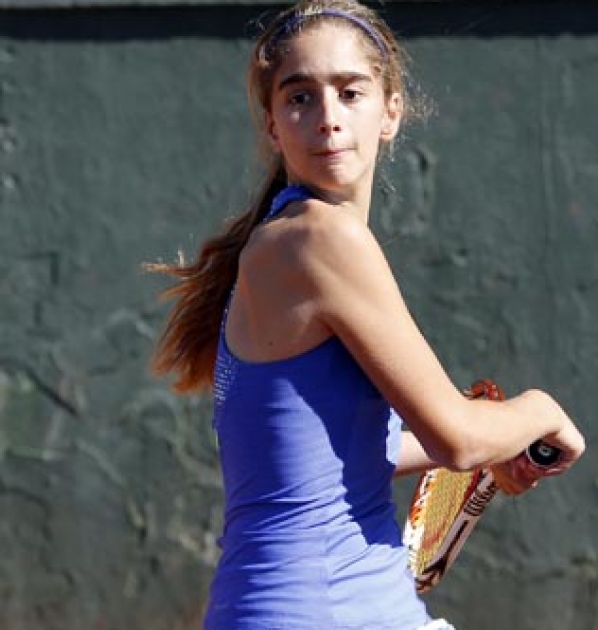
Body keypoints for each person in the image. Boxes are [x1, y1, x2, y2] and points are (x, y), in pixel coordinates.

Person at [145, 1, 587, 628]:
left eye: (350, 93)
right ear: (272, 125)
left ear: (391, 109)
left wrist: (490, 446)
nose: (327, 119)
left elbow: (346, 455)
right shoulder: (317, 241)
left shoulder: (287, 241)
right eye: (300, 98)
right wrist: (539, 410)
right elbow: (457, 437)